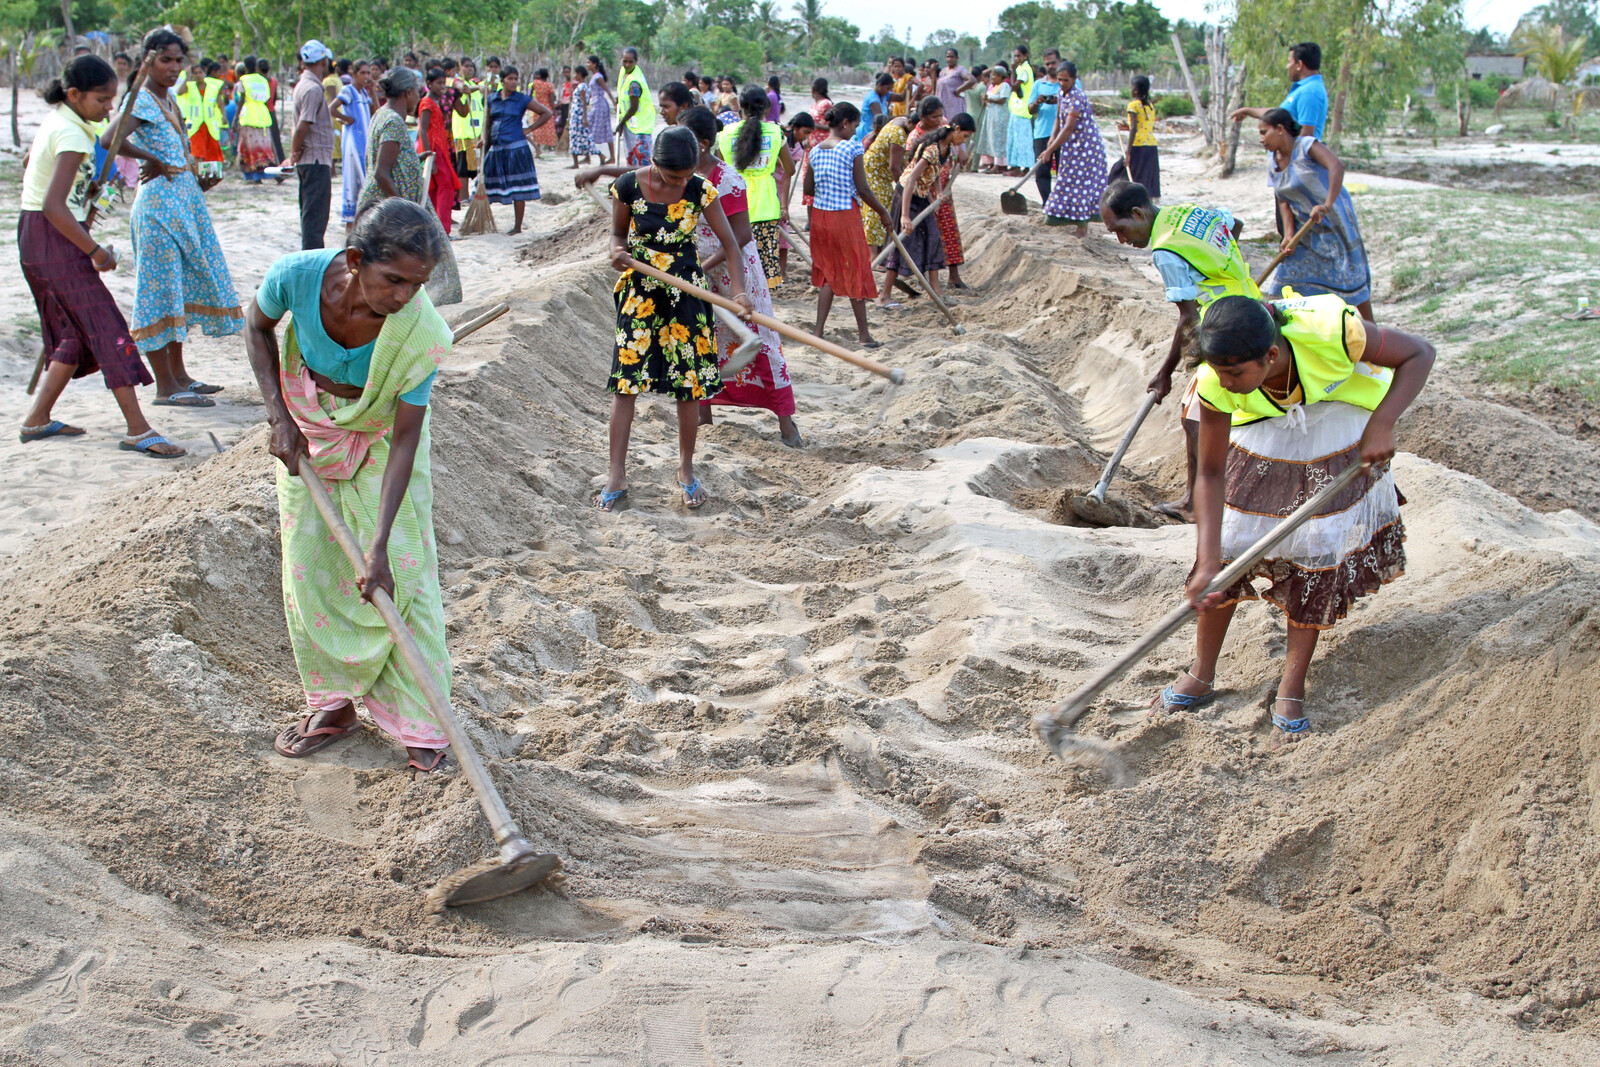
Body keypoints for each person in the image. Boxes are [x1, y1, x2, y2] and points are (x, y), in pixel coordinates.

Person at [1156, 293, 1433, 744]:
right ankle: (1202, 673)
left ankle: (1292, 685)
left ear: (1270, 355)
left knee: (1315, 551)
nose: (1224, 382)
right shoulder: (1216, 377)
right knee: (1227, 549)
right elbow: (1209, 473)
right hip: (1268, 424)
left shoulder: (1335, 333)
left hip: (1340, 417)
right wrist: (1207, 563)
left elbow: (1420, 352)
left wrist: (1384, 422)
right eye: (1219, 372)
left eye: (1234, 374)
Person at [253, 199, 456, 776]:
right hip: (305, 428)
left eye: (416, 285)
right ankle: (333, 707)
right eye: (392, 280)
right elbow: (256, 327)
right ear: (353, 259)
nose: (402, 298)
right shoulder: (294, 276)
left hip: (380, 439)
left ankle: (421, 722)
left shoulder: (421, 333)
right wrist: (279, 418)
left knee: (405, 578)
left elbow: (406, 441)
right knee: (308, 571)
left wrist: (379, 547)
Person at [18, 55, 181, 456]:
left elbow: (33, 170)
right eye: (101, 100)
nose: (109, 108)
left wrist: (87, 196)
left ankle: (37, 419)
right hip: (52, 236)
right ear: (74, 94)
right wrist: (95, 251)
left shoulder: (62, 121)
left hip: (37, 235)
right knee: (105, 325)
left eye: (112, 99)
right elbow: (54, 206)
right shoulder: (72, 133)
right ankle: (139, 429)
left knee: (74, 332)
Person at [595, 125, 753, 512]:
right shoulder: (629, 186)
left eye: (686, 174)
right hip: (641, 295)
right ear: (655, 164)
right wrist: (617, 252)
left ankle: (685, 470)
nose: (682, 182)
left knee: (690, 386)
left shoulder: (701, 189)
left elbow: (732, 244)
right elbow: (617, 235)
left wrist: (739, 293)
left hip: (687, 294)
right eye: (673, 176)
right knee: (626, 385)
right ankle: (616, 473)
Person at [1100, 181, 1259, 523]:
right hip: (1253, 308)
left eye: (1120, 230)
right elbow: (1234, 226)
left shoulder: (1165, 251)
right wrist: (1225, 267)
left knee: (1195, 416)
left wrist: (1165, 372)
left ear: (1138, 214)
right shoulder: (1185, 212)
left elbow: (1189, 319)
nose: (1122, 240)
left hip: (1224, 326)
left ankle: (1194, 503)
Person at [111, 27, 241, 407]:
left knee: (177, 291)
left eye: (178, 60)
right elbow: (110, 139)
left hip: (182, 204)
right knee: (158, 294)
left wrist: (196, 178)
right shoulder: (142, 100)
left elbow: (174, 154)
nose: (173, 67)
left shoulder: (168, 99)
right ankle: (165, 386)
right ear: (148, 59)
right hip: (156, 212)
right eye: (165, 60)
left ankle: (180, 375)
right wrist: (150, 159)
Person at [671, 107, 801, 447]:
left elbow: (740, 236)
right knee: (699, 342)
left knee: (758, 342)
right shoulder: (680, 175)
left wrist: (707, 265)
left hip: (733, 272)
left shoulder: (727, 179)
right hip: (696, 274)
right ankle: (704, 419)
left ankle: (788, 427)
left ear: (700, 144)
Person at [359, 66, 462, 306]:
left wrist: (414, 160)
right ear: (407, 93)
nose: (419, 96)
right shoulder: (393, 121)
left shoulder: (382, 114)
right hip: (392, 210)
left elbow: (389, 161)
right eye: (417, 91)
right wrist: (406, 214)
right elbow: (382, 173)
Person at [1259, 108, 1373, 318]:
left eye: (1264, 132)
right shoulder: (1272, 161)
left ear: (1281, 129)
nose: (1261, 139)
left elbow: (1336, 167)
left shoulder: (1306, 146)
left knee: (1347, 274)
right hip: (1306, 227)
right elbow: (1283, 199)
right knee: (1287, 281)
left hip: (1334, 221)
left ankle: (1371, 327)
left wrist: (1326, 205)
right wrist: (1288, 235)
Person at [805, 102, 889, 351]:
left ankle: (818, 332)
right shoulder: (852, 147)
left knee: (827, 274)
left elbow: (809, 189)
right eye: (854, 125)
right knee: (855, 271)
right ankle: (864, 336)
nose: (855, 130)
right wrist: (884, 212)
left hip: (820, 217)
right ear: (845, 123)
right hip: (844, 217)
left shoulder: (816, 150)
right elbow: (862, 189)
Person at [882, 112, 973, 301]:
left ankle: (935, 291)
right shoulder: (932, 149)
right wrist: (905, 216)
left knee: (933, 239)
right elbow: (910, 179)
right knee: (900, 245)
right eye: (964, 136)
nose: (963, 141)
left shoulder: (946, 148)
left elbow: (934, 172)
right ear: (956, 130)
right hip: (906, 196)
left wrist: (938, 191)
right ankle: (884, 295)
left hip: (921, 196)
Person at [717, 85, 794, 287]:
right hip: (766, 206)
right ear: (766, 108)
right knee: (764, 267)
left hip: (733, 204)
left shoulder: (725, 134)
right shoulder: (776, 133)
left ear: (740, 106)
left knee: (735, 261)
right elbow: (790, 169)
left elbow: (718, 168)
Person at [479, 66, 552, 235]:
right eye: (510, 79)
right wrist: (484, 140)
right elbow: (488, 124)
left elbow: (546, 113)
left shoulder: (522, 99)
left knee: (518, 188)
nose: (513, 82)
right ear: (502, 80)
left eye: (516, 79)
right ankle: (483, 221)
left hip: (516, 148)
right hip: (497, 148)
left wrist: (530, 128)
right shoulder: (492, 99)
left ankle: (517, 227)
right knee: (486, 184)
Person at [1041, 61, 1107, 236]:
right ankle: (1061, 218)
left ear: (1074, 79)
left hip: (1086, 148)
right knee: (1066, 180)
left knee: (1080, 185)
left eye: (1066, 80)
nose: (1062, 83)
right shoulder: (1061, 94)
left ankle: (1082, 227)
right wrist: (1052, 138)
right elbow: (1058, 118)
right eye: (1060, 80)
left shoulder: (1077, 97)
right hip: (1071, 146)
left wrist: (1050, 151)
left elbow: (1069, 127)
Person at [1230, 41, 1328, 139]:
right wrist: (1248, 111)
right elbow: (1279, 115)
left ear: (1299, 65)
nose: (1287, 66)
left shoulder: (1310, 92)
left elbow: (1305, 136)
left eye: (1289, 62)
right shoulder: (1303, 89)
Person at [291, 40, 336, 249]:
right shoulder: (313, 90)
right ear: (324, 61)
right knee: (315, 220)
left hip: (311, 159)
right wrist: (294, 151)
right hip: (315, 160)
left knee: (312, 217)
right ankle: (312, 263)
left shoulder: (304, 85)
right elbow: (303, 125)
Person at [415, 67, 461, 235]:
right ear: (429, 84)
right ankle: (443, 230)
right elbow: (423, 130)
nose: (442, 86)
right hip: (434, 150)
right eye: (438, 83)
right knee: (445, 187)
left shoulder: (435, 101)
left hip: (440, 149)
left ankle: (436, 230)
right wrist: (429, 156)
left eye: (444, 82)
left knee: (436, 190)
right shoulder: (427, 103)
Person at [331, 60, 373, 231]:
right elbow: (332, 108)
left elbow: (375, 109)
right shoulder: (348, 91)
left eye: (368, 73)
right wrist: (346, 119)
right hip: (353, 141)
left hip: (364, 142)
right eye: (362, 73)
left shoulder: (363, 93)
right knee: (354, 179)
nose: (366, 76)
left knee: (364, 179)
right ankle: (350, 222)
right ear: (354, 74)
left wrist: (374, 93)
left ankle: (361, 221)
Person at [861, 115, 908, 254]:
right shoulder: (898, 134)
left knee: (885, 208)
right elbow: (895, 167)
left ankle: (880, 251)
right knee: (875, 212)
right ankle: (873, 255)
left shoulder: (898, 122)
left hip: (882, 175)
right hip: (875, 174)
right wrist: (903, 189)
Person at [234, 56, 276, 181]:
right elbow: (269, 97)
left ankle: (251, 175)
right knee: (263, 146)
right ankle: (262, 174)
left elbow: (241, 99)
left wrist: (235, 118)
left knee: (248, 147)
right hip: (263, 115)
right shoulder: (263, 80)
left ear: (245, 67)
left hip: (249, 115)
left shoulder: (243, 80)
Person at [1026, 57, 1061, 203]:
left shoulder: (1070, 82)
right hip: (1042, 132)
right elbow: (1030, 110)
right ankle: (1047, 204)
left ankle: (1061, 203)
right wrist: (1037, 102)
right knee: (1041, 171)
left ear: (1059, 62)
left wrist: (1057, 99)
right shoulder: (1038, 84)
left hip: (1064, 133)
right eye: (1047, 64)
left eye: (1053, 63)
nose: (1050, 66)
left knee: (1063, 171)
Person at [1121, 74, 1160, 198]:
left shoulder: (1133, 105)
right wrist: (1127, 126)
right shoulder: (1150, 106)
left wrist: (1128, 153)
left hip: (1138, 146)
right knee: (1145, 178)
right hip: (1151, 146)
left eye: (1131, 87)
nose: (1130, 90)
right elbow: (1144, 125)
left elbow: (1135, 128)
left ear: (1136, 90)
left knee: (1120, 172)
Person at [615, 47, 655, 165]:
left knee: (641, 161)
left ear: (636, 62)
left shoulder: (635, 82)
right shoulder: (624, 72)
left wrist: (621, 123)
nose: (627, 64)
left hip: (640, 125)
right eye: (624, 61)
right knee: (631, 158)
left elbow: (633, 108)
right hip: (630, 123)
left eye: (630, 62)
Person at [1006, 44, 1035, 176]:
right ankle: (1015, 165)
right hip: (1016, 109)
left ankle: (1025, 167)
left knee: (1022, 141)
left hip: (1023, 110)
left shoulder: (1024, 70)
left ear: (1025, 56)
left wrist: (1012, 70)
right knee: (1014, 140)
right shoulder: (1020, 68)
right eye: (1015, 56)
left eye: (1019, 56)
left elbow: (1014, 86)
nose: (1017, 58)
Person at [976, 64, 1010, 171]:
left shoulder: (1005, 86)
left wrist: (990, 99)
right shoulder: (992, 87)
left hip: (1000, 117)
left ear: (1000, 76)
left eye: (994, 75)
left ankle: (1000, 164)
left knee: (999, 140)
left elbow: (1002, 100)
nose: (992, 78)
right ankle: (991, 163)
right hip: (990, 117)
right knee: (990, 139)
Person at [586, 55, 614, 164]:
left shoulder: (598, 76)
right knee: (590, 129)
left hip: (600, 105)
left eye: (588, 62)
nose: (587, 65)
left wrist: (614, 102)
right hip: (595, 104)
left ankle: (611, 157)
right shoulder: (594, 76)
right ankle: (592, 155)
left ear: (594, 64)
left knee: (604, 129)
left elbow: (606, 90)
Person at [936, 49, 976, 118]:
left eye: (952, 57)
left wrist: (958, 90)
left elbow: (972, 80)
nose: (949, 59)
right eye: (948, 57)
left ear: (957, 58)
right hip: (942, 105)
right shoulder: (943, 71)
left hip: (954, 105)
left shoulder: (960, 70)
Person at [568, 60, 594, 166]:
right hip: (578, 114)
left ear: (579, 74)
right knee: (584, 137)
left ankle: (575, 163)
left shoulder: (582, 87)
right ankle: (589, 157)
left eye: (575, 73)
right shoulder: (584, 86)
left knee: (575, 137)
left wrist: (584, 117)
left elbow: (584, 102)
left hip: (578, 115)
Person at [528, 68, 558, 158]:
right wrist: (554, 110)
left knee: (537, 127)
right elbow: (551, 99)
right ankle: (549, 147)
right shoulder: (549, 86)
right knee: (548, 128)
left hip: (536, 107)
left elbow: (529, 95)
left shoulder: (534, 84)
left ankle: (538, 146)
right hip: (547, 108)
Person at [860, 73, 896, 143]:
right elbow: (881, 119)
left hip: (876, 131)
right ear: (879, 85)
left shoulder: (884, 95)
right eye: (887, 88)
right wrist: (901, 117)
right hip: (868, 131)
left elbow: (901, 97)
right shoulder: (872, 98)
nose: (888, 91)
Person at [806, 78, 833, 150]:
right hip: (811, 143)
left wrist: (815, 125)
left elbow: (832, 126)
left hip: (821, 144)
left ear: (813, 90)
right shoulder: (814, 105)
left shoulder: (826, 104)